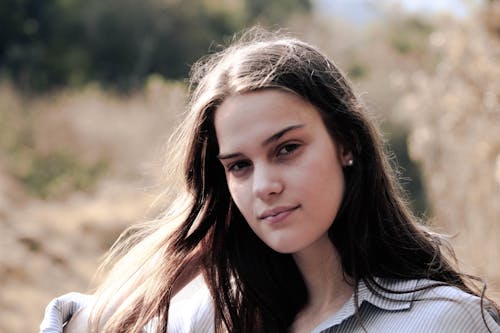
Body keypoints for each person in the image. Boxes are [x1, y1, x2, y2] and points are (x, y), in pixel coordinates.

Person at [40, 28, 500, 333]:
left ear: (346, 143)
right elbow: (76, 321)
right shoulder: (218, 314)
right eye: (240, 165)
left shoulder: (441, 320)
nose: (264, 185)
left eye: (286, 149)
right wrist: (178, 262)